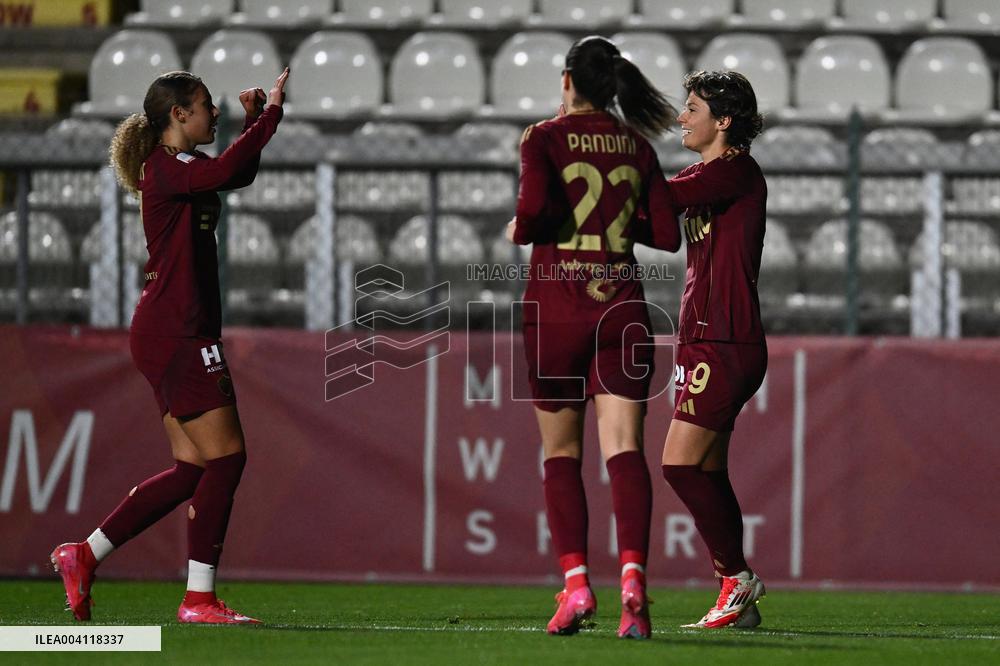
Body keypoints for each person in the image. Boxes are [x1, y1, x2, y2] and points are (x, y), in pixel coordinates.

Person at [50, 67, 289, 624]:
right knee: (228, 458)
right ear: (178, 115)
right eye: (206, 106)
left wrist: (254, 122)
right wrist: (271, 115)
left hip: (170, 329)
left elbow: (236, 175)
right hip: (177, 330)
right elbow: (232, 167)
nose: (213, 113)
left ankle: (83, 554)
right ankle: (199, 598)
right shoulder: (164, 169)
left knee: (192, 470)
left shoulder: (183, 169)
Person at [506, 36, 680, 639]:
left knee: (561, 455)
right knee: (625, 451)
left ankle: (577, 587)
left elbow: (530, 214)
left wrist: (522, 226)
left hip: (555, 309)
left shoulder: (543, 138)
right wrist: (615, 222)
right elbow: (667, 234)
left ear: (566, 81)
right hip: (622, 308)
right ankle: (634, 579)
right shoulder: (637, 146)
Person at [659, 70, 768, 629]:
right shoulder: (706, 175)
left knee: (678, 464)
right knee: (704, 467)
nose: (682, 117)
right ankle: (737, 588)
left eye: (692, 108)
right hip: (705, 339)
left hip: (724, 339)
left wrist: (611, 178)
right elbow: (659, 218)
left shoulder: (736, 171)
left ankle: (737, 578)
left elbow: (662, 199)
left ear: (723, 121)